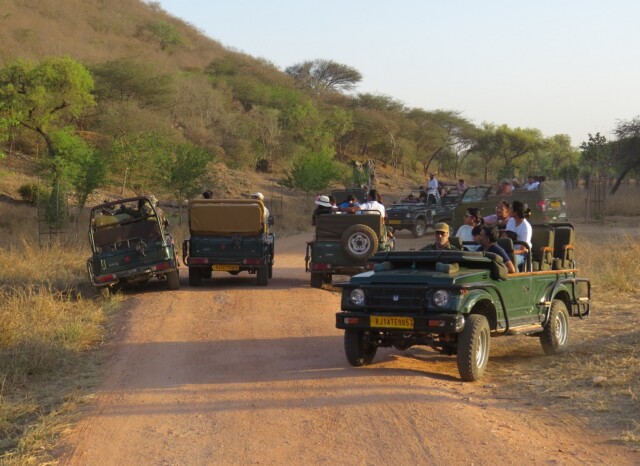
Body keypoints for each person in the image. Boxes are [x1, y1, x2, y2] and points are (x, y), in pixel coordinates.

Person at [505, 200, 532, 271]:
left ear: (515, 212)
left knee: (509, 259)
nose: (508, 210)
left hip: (522, 256)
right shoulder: (510, 221)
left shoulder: (526, 227)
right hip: (509, 251)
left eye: (511, 209)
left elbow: (523, 250)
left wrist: (511, 252)